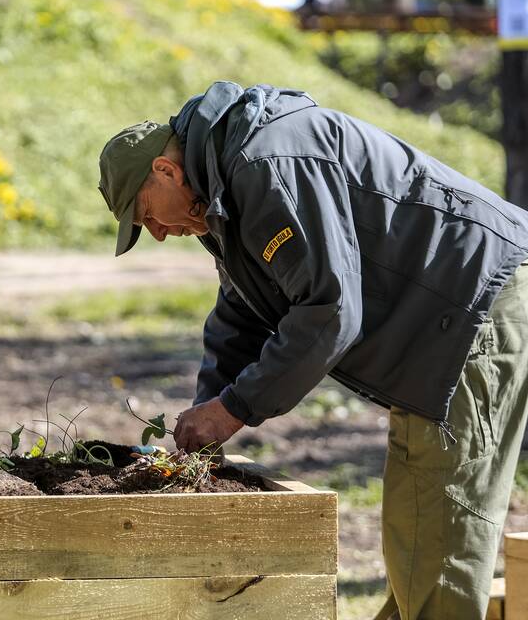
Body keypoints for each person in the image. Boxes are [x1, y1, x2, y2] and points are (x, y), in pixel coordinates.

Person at [98, 81, 528, 620]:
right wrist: (208, 409)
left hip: (474, 305)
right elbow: (239, 315)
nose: (157, 233)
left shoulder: (264, 164)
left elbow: (329, 311)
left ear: (165, 172)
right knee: (420, 540)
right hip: (448, 317)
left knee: (439, 551)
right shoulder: (223, 192)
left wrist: (232, 410)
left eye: (146, 215)